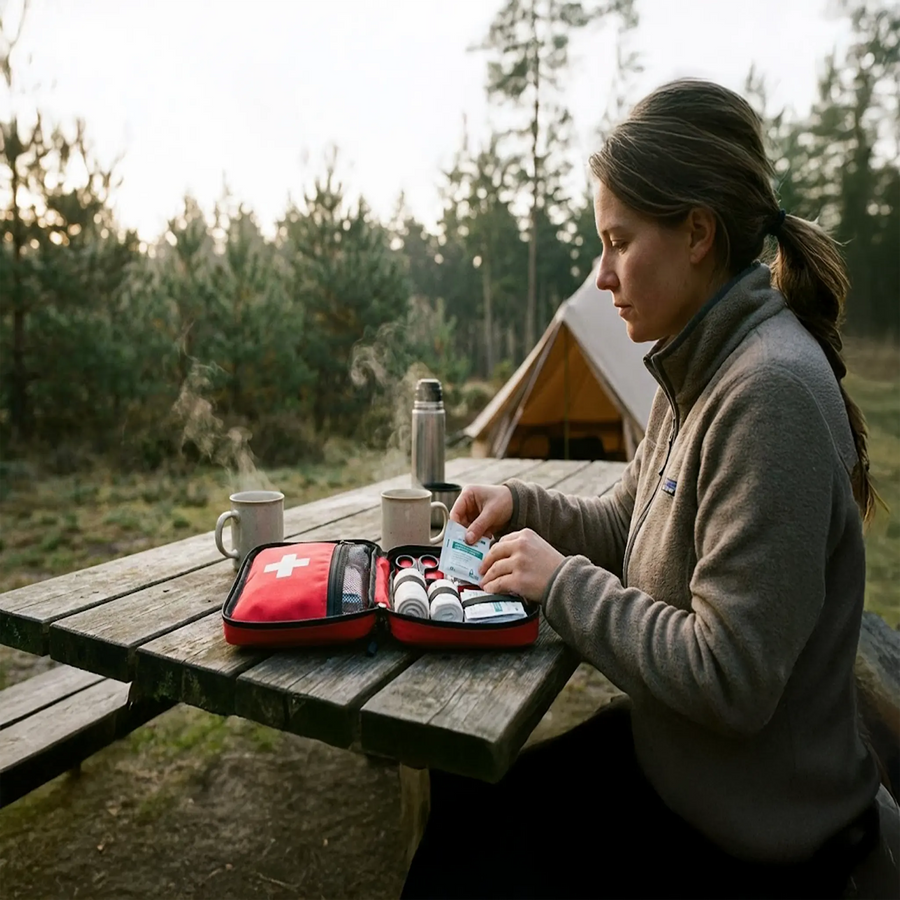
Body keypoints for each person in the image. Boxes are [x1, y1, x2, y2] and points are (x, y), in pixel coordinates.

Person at [400, 79, 900, 900]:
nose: (602, 275)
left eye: (618, 242)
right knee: (467, 798)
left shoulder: (767, 392)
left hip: (760, 842)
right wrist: (523, 508)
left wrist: (560, 582)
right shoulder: (699, 368)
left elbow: (730, 677)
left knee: (468, 860)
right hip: (688, 779)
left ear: (697, 232)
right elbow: (629, 521)